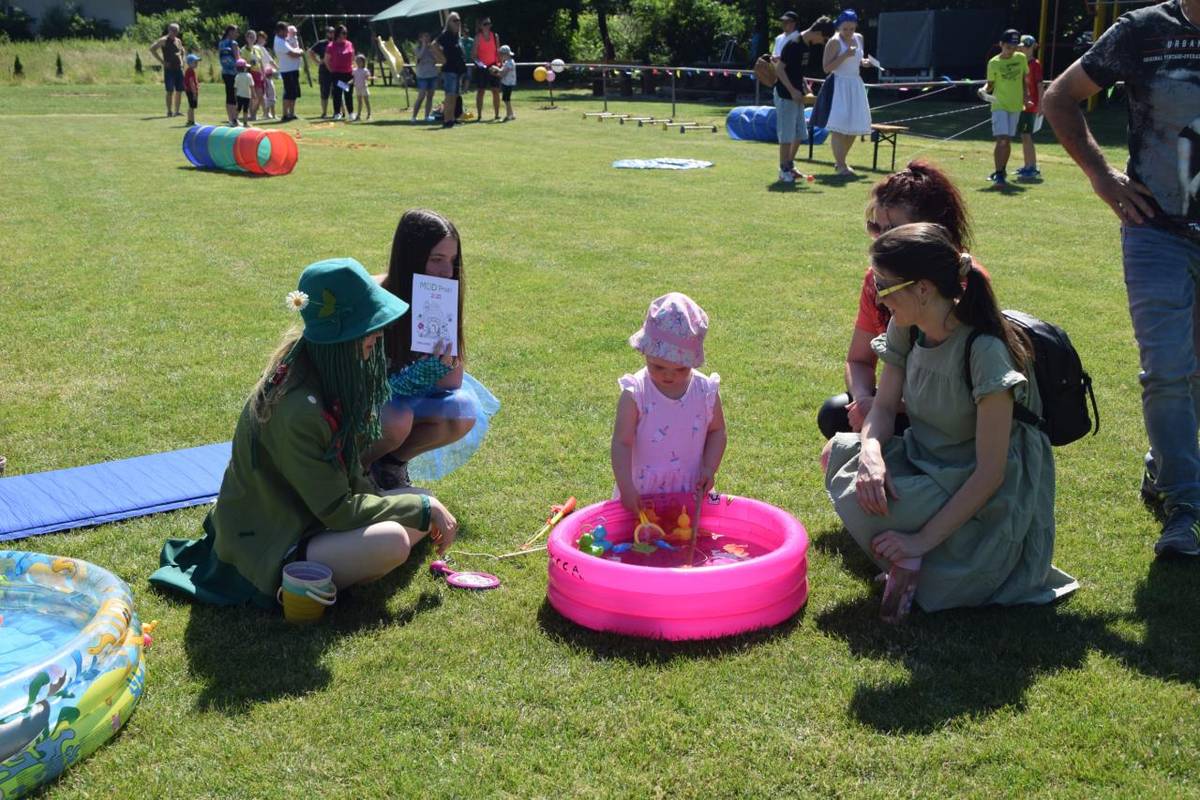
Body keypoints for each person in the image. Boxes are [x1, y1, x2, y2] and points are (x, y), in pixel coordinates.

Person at [150, 258, 459, 607]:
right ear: (341, 340)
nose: (379, 336)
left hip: (310, 517)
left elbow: (349, 474)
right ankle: (293, 585)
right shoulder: (298, 409)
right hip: (273, 539)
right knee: (394, 539)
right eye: (370, 331)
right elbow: (338, 510)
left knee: (415, 504)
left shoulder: (326, 372)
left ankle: (332, 564)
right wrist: (421, 507)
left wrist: (418, 504)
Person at [822, 223, 1078, 623]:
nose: (878, 298)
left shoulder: (986, 350)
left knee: (869, 503)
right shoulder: (906, 327)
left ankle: (927, 552)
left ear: (923, 288)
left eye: (884, 287)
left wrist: (920, 539)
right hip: (927, 458)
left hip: (982, 486)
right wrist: (871, 450)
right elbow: (885, 408)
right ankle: (917, 555)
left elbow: (991, 473)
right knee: (840, 459)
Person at [1042, 0, 1200, 557]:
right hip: (1156, 228)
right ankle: (1187, 505)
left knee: (1195, 369)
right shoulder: (1143, 31)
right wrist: (1102, 176)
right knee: (1167, 368)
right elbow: (1059, 95)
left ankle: (1165, 466)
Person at [818, 160, 979, 439]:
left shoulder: (964, 281)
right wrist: (865, 401)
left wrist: (885, 406)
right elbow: (859, 360)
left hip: (953, 420)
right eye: (875, 227)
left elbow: (960, 397)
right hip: (898, 404)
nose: (879, 241)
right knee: (835, 413)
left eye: (891, 229)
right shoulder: (877, 280)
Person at [365, 209, 499, 489]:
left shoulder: (441, 298)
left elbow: (452, 382)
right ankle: (353, 471)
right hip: (364, 398)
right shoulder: (374, 296)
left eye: (452, 261)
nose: (446, 272)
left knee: (462, 410)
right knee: (397, 419)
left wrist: (436, 366)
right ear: (410, 257)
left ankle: (390, 466)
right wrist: (402, 382)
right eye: (436, 259)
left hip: (405, 398)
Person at [611, 293, 727, 513]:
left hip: (688, 491)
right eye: (658, 366)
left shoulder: (705, 392)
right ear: (645, 353)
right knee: (639, 543)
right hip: (642, 493)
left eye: (681, 368)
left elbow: (717, 431)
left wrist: (709, 468)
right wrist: (626, 489)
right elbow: (621, 443)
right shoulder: (636, 393)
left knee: (687, 543)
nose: (669, 376)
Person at [772, 15, 833, 183]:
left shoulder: (806, 46)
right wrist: (792, 90)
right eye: (824, 38)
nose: (824, 42)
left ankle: (790, 166)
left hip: (797, 96)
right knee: (786, 135)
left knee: (800, 133)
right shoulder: (793, 44)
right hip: (785, 95)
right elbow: (779, 69)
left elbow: (796, 71)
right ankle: (783, 170)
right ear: (818, 32)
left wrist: (804, 87)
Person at [820, 9, 873, 176]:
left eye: (851, 28)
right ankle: (841, 165)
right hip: (839, 84)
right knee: (839, 127)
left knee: (854, 126)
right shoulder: (834, 42)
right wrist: (844, 55)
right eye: (845, 29)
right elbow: (826, 68)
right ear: (839, 27)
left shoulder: (859, 38)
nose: (849, 32)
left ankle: (841, 161)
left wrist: (865, 62)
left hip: (855, 83)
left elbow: (858, 59)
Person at [982, 30, 1029, 186]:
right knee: (1002, 139)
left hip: (1015, 105)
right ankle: (999, 173)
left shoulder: (1021, 59)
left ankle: (1002, 169)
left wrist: (1026, 97)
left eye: (1014, 46)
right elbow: (990, 85)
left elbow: (1024, 79)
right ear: (1001, 44)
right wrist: (983, 90)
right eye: (1008, 46)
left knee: (1007, 141)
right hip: (999, 104)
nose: (1011, 50)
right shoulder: (994, 63)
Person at [431, 12, 467, 128]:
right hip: (449, 70)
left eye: (458, 20)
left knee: (455, 96)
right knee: (449, 95)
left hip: (457, 70)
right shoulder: (446, 34)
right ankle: (447, 120)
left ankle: (452, 118)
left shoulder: (457, 36)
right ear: (449, 23)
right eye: (454, 20)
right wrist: (441, 59)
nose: (458, 22)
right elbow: (433, 45)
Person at [1015, 34, 1044, 180]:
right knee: (1024, 136)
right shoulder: (1020, 64)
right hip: (1022, 105)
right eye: (1021, 47)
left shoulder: (1035, 64)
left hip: (1030, 106)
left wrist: (1040, 104)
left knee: (1027, 136)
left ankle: (1032, 167)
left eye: (1025, 47)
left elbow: (1039, 86)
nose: (1022, 49)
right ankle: (1027, 165)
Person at [149, 22, 185, 118]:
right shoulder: (163, 40)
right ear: (169, 30)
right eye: (173, 30)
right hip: (169, 69)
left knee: (179, 90)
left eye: (176, 30)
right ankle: (169, 111)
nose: (174, 32)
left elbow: (181, 51)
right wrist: (162, 61)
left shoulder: (178, 41)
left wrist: (182, 62)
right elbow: (152, 49)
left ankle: (177, 111)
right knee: (170, 91)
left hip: (179, 69)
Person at [323, 25, 356, 122]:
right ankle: (337, 113)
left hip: (348, 73)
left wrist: (353, 68)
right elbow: (326, 60)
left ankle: (351, 113)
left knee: (348, 93)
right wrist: (331, 71)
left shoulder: (349, 44)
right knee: (337, 93)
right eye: (343, 33)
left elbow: (353, 57)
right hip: (336, 73)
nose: (345, 35)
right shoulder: (331, 46)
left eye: (346, 33)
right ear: (338, 34)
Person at [273, 21, 303, 122]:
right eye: (286, 30)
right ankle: (285, 114)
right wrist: (300, 52)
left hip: (293, 69)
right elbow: (293, 54)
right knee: (288, 93)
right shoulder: (279, 42)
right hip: (287, 70)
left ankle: (292, 113)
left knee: (293, 93)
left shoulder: (283, 40)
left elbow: (294, 47)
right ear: (281, 31)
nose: (287, 33)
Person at [472, 16, 501, 122]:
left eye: (489, 24)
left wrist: (499, 66)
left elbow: (498, 52)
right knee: (481, 91)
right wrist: (482, 66)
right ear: (480, 26)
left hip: (493, 66)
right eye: (485, 24)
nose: (488, 26)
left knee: (496, 91)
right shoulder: (477, 37)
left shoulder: (495, 36)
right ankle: (479, 116)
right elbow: (474, 55)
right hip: (482, 67)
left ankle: (497, 115)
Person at [309, 25, 336, 118]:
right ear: (327, 33)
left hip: (336, 69)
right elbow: (310, 52)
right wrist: (317, 62)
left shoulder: (337, 43)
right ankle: (324, 112)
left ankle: (338, 111)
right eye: (330, 32)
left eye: (333, 32)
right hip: (324, 70)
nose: (332, 34)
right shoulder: (321, 43)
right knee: (324, 91)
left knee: (336, 91)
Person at [412, 32, 439, 121]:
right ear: (420, 39)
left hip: (432, 74)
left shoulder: (432, 48)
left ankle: (427, 116)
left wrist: (433, 50)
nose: (427, 38)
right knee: (421, 96)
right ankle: (414, 117)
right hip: (422, 75)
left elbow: (437, 59)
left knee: (430, 96)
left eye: (428, 36)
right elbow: (419, 56)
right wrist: (424, 46)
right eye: (425, 37)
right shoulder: (417, 48)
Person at [217, 25, 241, 126]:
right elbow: (238, 59)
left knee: (229, 95)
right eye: (236, 32)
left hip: (225, 72)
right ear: (230, 32)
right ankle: (235, 119)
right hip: (234, 73)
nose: (237, 34)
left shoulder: (221, 43)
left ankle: (230, 119)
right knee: (235, 96)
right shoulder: (233, 43)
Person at [244, 30, 265, 121]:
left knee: (260, 95)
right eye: (250, 37)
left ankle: (254, 112)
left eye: (254, 37)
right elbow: (243, 63)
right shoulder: (243, 50)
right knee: (252, 95)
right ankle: (252, 114)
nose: (252, 39)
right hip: (250, 73)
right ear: (246, 38)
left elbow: (261, 62)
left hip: (259, 73)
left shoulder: (258, 49)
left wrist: (263, 73)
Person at [498, 44, 517, 121]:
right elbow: (502, 72)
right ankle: (511, 114)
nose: (501, 56)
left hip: (508, 83)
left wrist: (495, 69)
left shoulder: (510, 63)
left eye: (501, 54)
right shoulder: (507, 62)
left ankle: (508, 115)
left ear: (505, 54)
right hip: (506, 83)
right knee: (506, 100)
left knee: (507, 100)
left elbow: (503, 73)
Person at [182, 53, 200, 127]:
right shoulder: (190, 71)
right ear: (189, 63)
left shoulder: (189, 70)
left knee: (191, 106)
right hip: (191, 91)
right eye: (195, 62)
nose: (196, 64)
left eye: (197, 62)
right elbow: (191, 82)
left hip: (190, 91)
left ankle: (191, 120)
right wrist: (194, 92)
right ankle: (191, 121)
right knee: (191, 106)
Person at [353, 54, 372, 122]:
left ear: (363, 62)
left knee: (366, 101)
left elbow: (367, 77)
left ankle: (369, 114)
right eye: (357, 61)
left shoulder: (365, 70)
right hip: (357, 88)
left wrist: (372, 78)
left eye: (359, 61)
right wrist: (349, 82)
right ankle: (358, 115)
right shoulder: (354, 70)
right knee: (359, 102)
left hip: (364, 88)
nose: (358, 62)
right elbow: (354, 79)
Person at [234, 58, 253, 126]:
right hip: (247, 95)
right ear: (244, 68)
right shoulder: (249, 76)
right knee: (245, 109)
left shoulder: (237, 76)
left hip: (239, 95)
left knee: (238, 108)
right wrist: (253, 94)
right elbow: (251, 86)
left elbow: (235, 87)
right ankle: (245, 123)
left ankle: (234, 120)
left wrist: (235, 95)